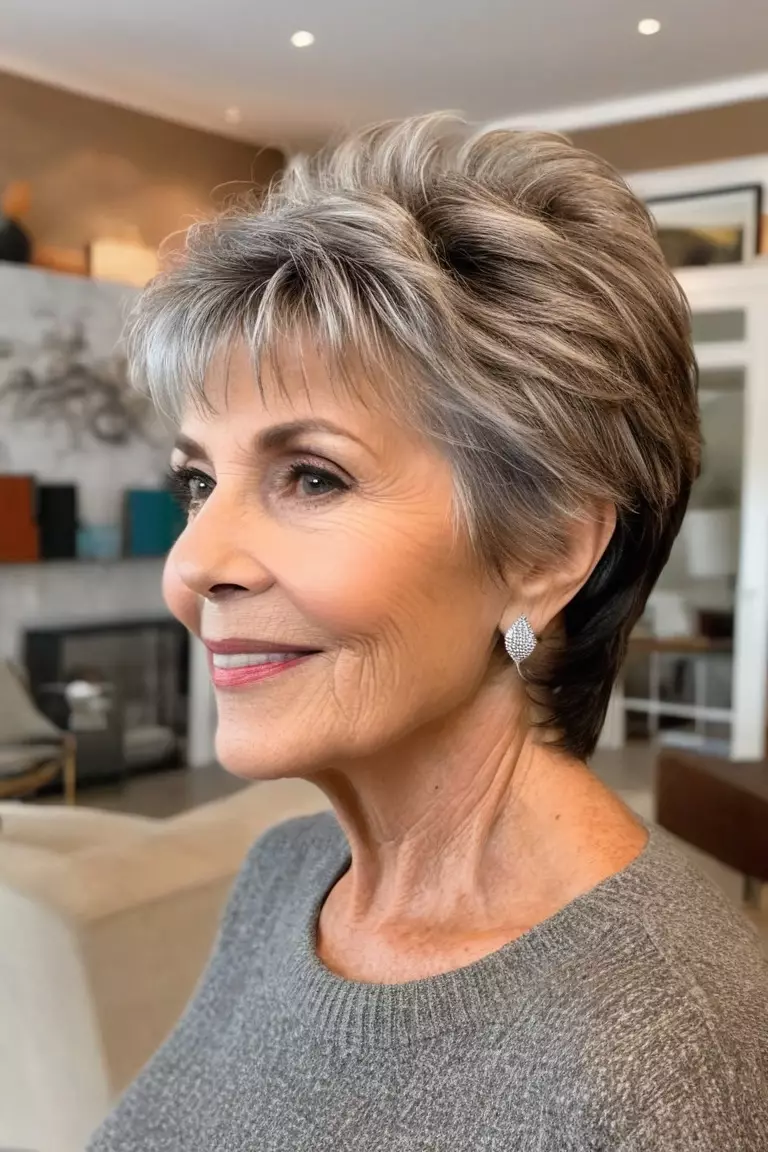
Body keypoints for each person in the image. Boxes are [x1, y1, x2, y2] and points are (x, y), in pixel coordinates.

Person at [89, 114, 767, 1151]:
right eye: (198, 481)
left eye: (311, 476)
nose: (192, 565)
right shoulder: (289, 876)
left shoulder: (667, 1054)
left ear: (546, 551)